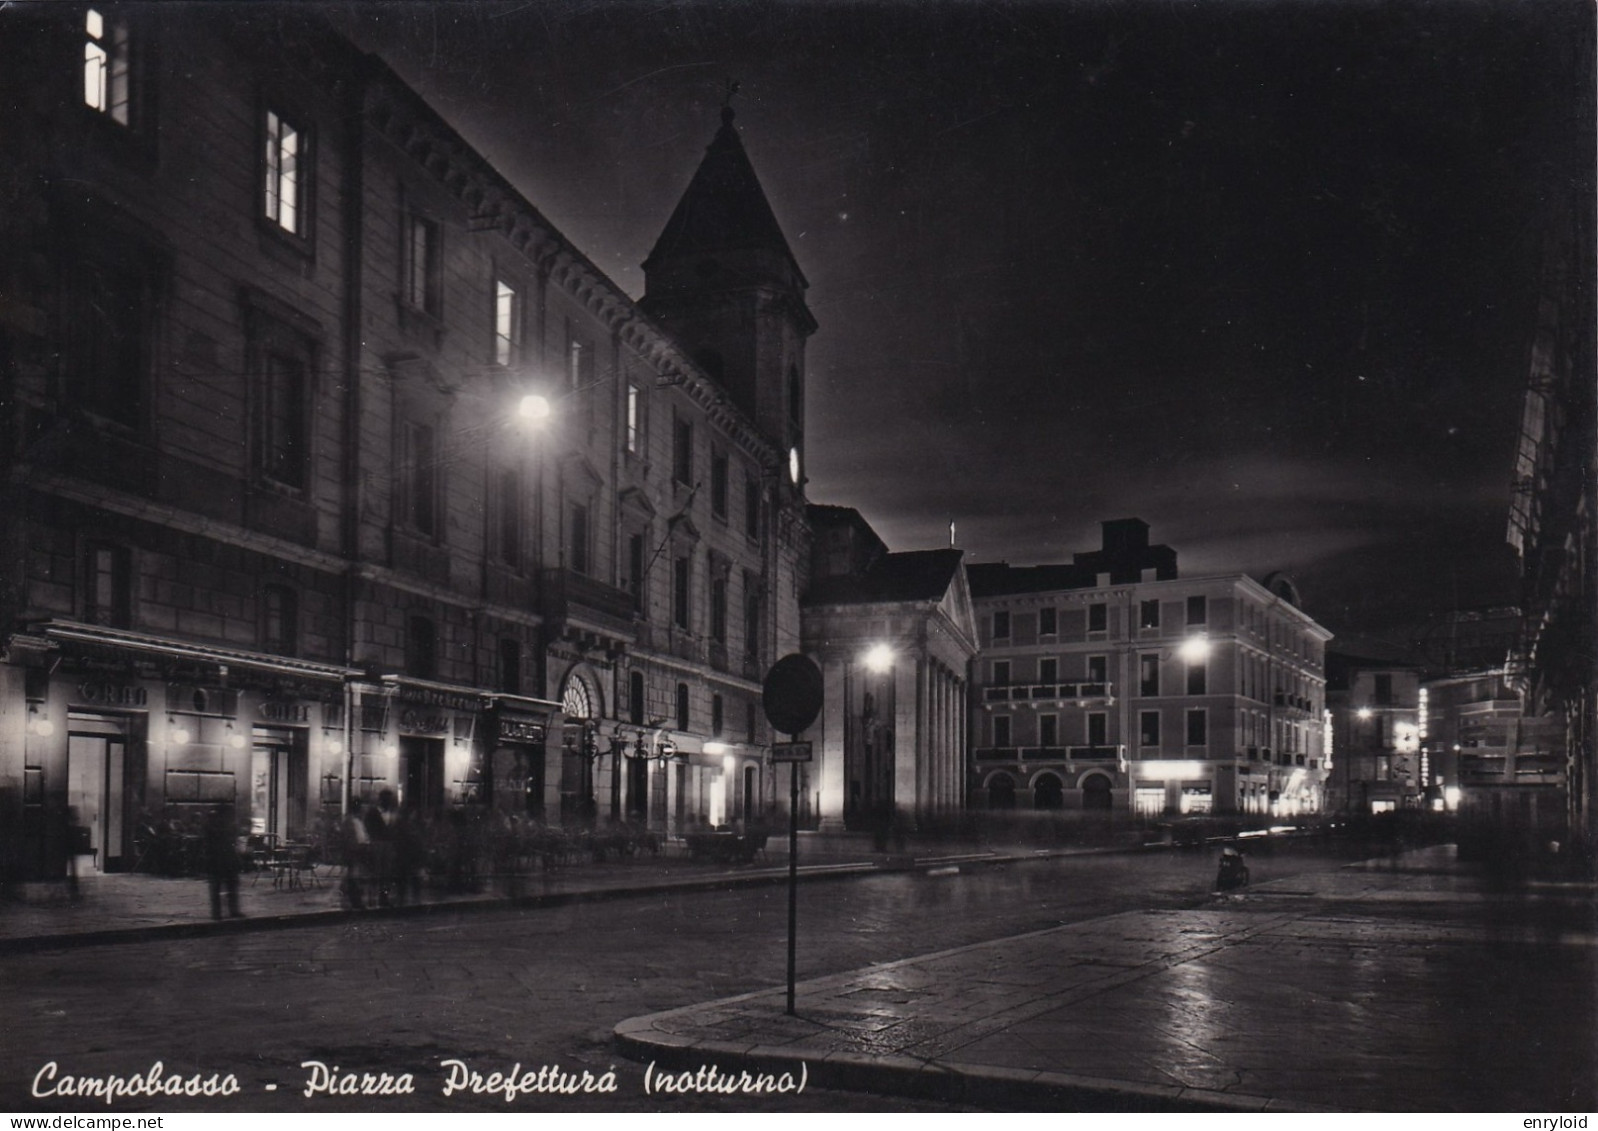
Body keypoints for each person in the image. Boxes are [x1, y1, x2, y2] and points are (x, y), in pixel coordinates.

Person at [202, 805, 243, 919]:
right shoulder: (213, 827)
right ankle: (220, 912)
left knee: (228, 886)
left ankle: (227, 911)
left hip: (223, 860)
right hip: (218, 860)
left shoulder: (219, 826)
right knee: (219, 887)